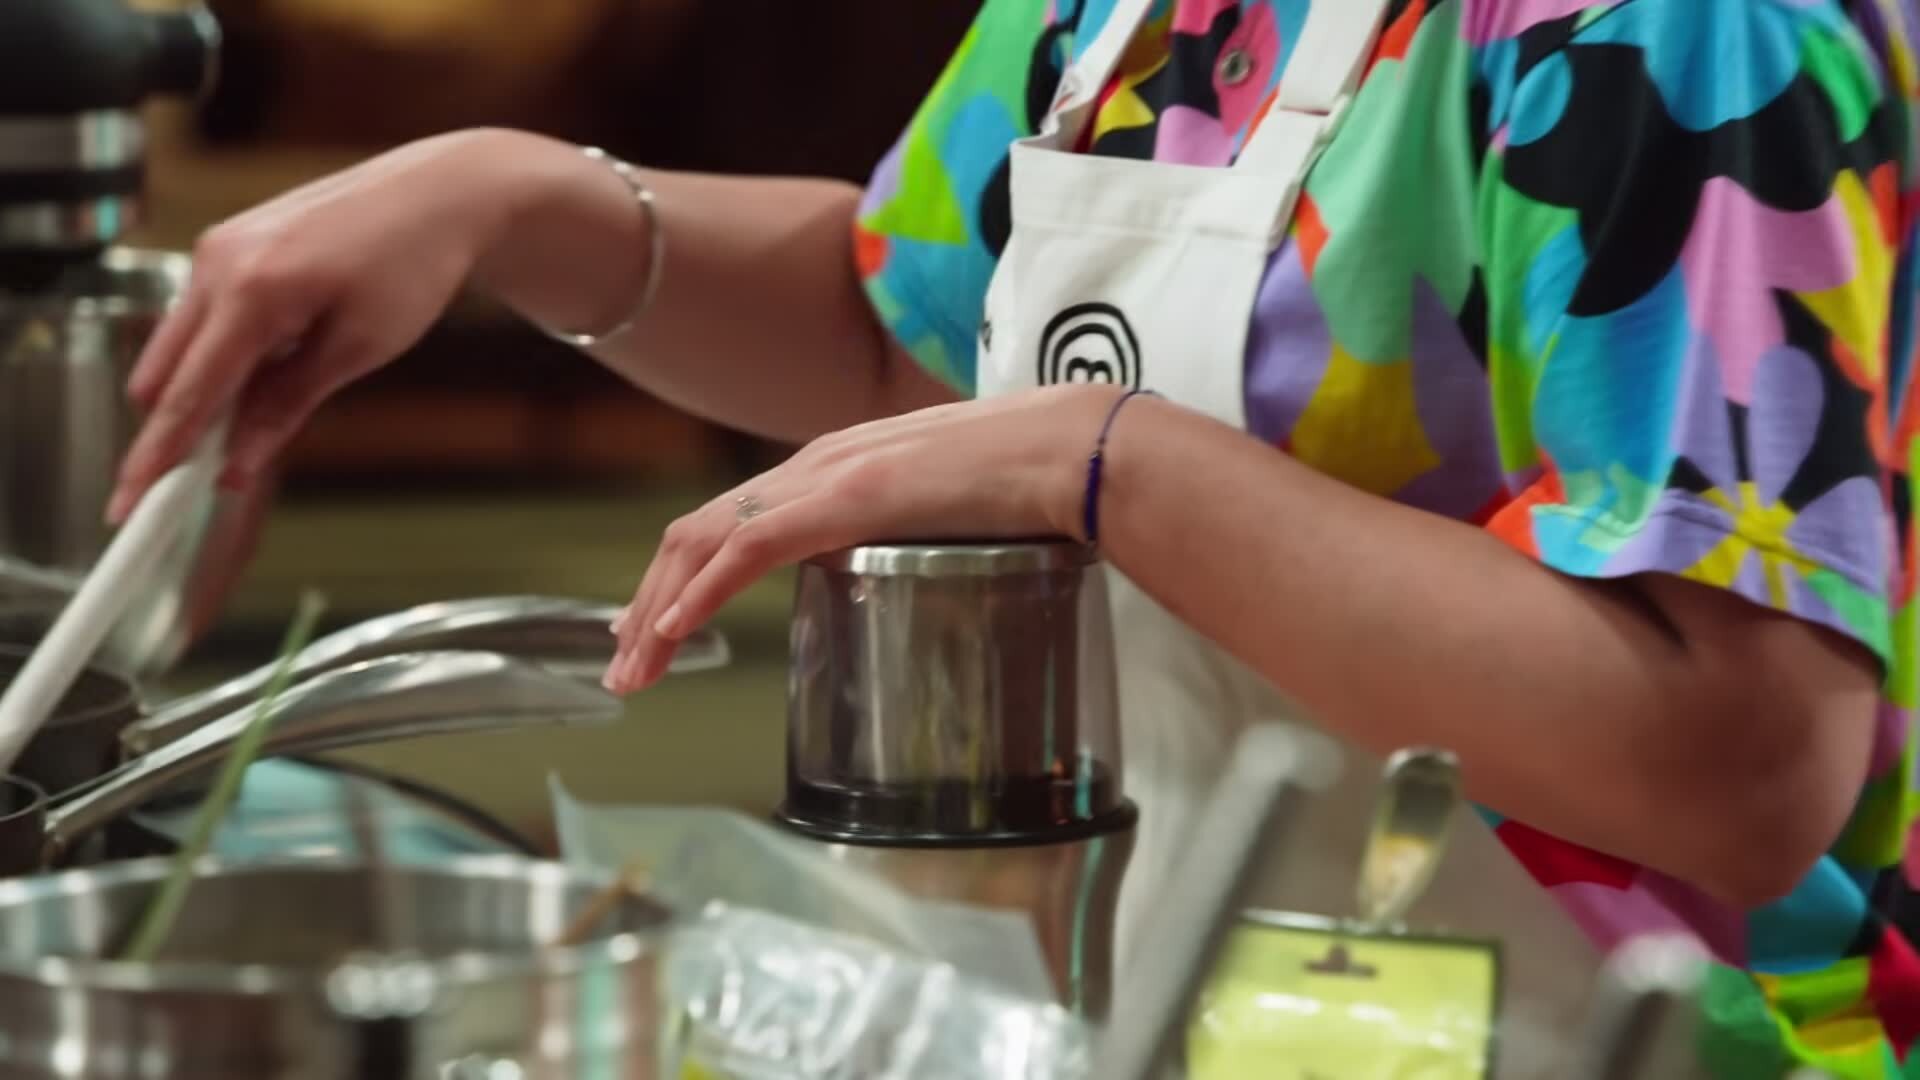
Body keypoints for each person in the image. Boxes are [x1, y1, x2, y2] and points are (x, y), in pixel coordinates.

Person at [111, 0, 1920, 1072]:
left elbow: (1742, 764)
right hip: (1233, 1005)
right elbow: (907, 339)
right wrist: (512, 203)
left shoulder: (1685, 33)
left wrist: (1111, 462)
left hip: (1627, 1039)